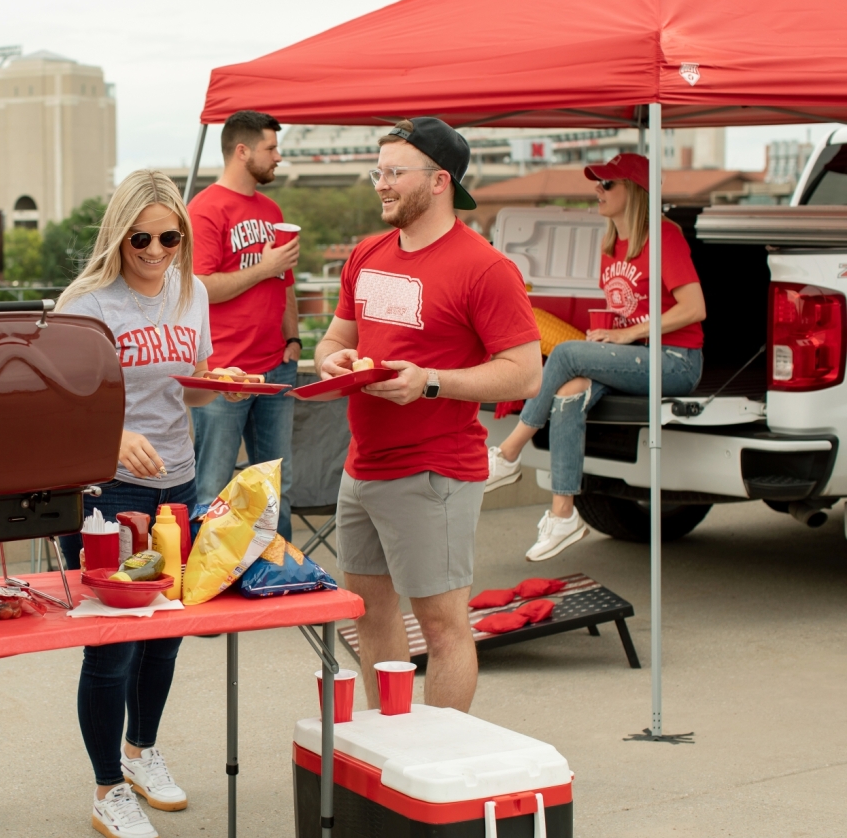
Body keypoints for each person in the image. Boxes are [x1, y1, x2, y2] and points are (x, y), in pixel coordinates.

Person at [313, 118, 541, 713]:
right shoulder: (366, 253)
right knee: (369, 617)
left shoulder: (485, 267)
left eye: (394, 172)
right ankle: (392, 742)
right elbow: (332, 339)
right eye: (378, 172)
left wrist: (432, 382)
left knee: (442, 629)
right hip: (361, 469)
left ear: (440, 181)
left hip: (435, 471)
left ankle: (438, 758)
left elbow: (525, 371)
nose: (381, 184)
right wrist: (332, 361)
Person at [55, 169, 238, 838]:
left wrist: (218, 386)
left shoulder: (191, 295)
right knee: (112, 645)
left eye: (170, 236)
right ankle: (107, 788)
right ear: (118, 234)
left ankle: (141, 753)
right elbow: (57, 408)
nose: (157, 250)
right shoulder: (87, 305)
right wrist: (116, 436)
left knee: (165, 632)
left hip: (177, 484)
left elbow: (187, 391)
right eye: (142, 237)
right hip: (109, 492)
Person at [486, 153, 706, 561]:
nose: (598, 191)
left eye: (608, 184)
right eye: (597, 184)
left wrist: (626, 334)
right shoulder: (611, 244)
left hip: (674, 360)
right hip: (634, 355)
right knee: (570, 388)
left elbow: (695, 308)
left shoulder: (662, 236)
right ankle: (563, 514)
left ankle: (509, 453)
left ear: (635, 190)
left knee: (567, 354)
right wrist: (612, 337)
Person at [189, 110, 301, 538]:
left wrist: (293, 337)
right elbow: (200, 287)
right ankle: (206, 583)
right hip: (225, 373)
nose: (278, 157)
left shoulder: (272, 208)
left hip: (276, 366)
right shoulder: (205, 209)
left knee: (276, 488)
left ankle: (280, 576)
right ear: (242, 151)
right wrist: (263, 266)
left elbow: (284, 279)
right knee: (212, 487)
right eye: (271, 148)